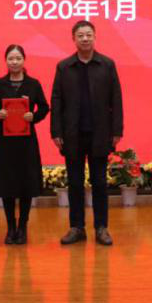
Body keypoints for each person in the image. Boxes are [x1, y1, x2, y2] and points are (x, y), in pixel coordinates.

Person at [50, 20, 123, 246]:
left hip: (100, 133)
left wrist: (117, 130)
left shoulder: (107, 65)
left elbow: (116, 99)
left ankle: (101, 227)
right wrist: (56, 131)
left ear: (94, 37)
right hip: (72, 134)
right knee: (75, 182)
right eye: (80, 35)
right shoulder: (64, 67)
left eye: (88, 35)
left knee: (99, 182)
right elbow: (57, 101)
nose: (85, 39)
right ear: (73, 38)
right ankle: (77, 227)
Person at [0, 44, 50, 245]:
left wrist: (33, 116)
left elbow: (44, 107)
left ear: (24, 60)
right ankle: (10, 227)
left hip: (26, 141)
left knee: (26, 184)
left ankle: (23, 226)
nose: (14, 62)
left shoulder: (33, 84)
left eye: (18, 58)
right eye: (11, 58)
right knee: (7, 184)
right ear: (6, 61)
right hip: (4, 141)